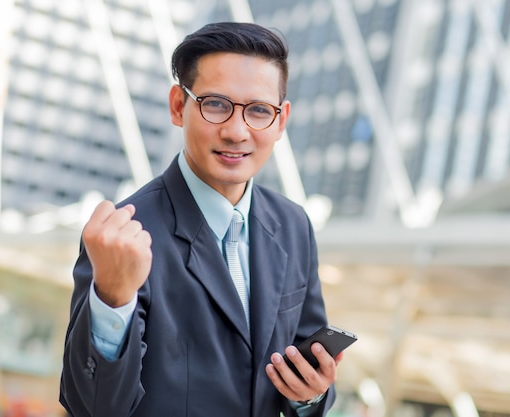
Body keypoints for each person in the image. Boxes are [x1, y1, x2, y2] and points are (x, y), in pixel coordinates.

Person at [59, 21, 342, 417]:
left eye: (259, 110)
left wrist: (309, 395)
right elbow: (92, 408)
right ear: (179, 106)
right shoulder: (125, 234)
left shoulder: (294, 226)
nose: (236, 131)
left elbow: (304, 375)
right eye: (215, 105)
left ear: (280, 120)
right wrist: (112, 298)